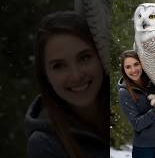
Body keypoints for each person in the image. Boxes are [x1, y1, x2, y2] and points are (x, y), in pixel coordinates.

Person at [24, 11, 108, 158]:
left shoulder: (134, 100)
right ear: (46, 75)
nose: (76, 76)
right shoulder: (45, 145)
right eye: (59, 66)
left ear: (101, 57)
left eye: (84, 58)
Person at [118, 50, 155, 158]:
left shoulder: (154, 81)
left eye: (136, 64)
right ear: (123, 70)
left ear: (142, 64)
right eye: (128, 67)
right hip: (144, 149)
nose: (133, 70)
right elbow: (137, 124)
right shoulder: (124, 92)